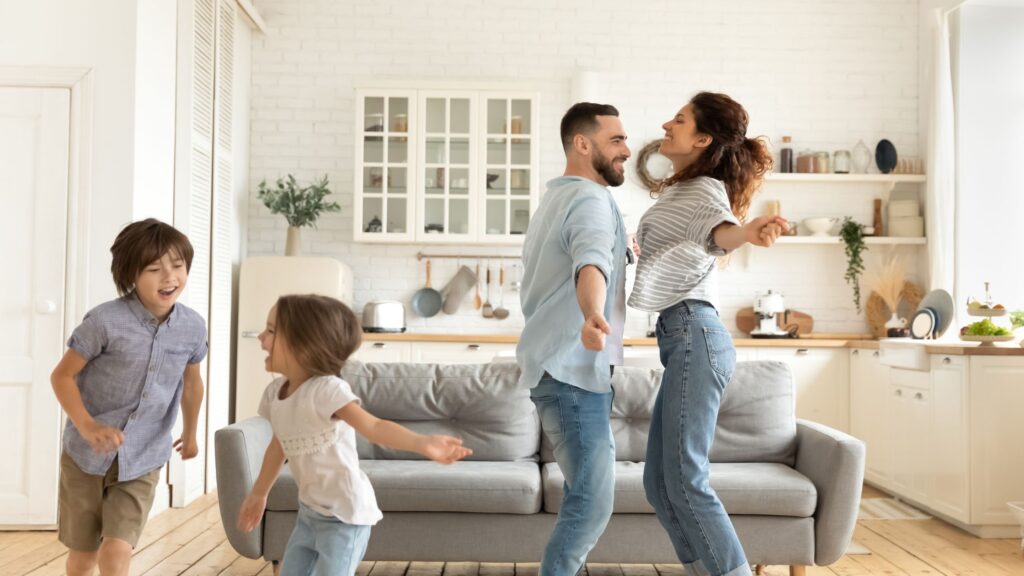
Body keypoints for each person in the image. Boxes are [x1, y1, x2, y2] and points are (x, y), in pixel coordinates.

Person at [628, 92, 788, 576]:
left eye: (678, 120)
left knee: (685, 479)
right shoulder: (684, 188)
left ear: (702, 138)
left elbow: (718, 233)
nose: (666, 124)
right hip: (682, 336)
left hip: (695, 333)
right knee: (660, 483)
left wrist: (746, 233)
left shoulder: (705, 192)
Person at [237, 295, 472, 576]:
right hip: (309, 513)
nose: (261, 337)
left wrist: (423, 443)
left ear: (305, 344)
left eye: (272, 331)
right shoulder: (275, 394)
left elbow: (373, 427)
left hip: (345, 517)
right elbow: (279, 444)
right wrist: (258, 493)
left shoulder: (327, 390)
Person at [50, 219, 208, 576]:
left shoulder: (193, 327)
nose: (170, 277)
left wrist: (193, 432)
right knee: (83, 555)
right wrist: (88, 425)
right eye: (154, 269)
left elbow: (192, 383)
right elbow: (62, 376)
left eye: (178, 266)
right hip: (84, 456)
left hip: (144, 455)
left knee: (117, 549)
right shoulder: (104, 321)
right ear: (130, 275)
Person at [516, 102, 632, 576]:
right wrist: (592, 313)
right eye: (616, 140)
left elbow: (591, 256)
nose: (626, 148)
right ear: (582, 144)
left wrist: (622, 247)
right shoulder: (590, 199)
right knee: (592, 500)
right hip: (571, 368)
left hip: (557, 367)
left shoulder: (556, 198)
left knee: (586, 495)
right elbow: (590, 264)